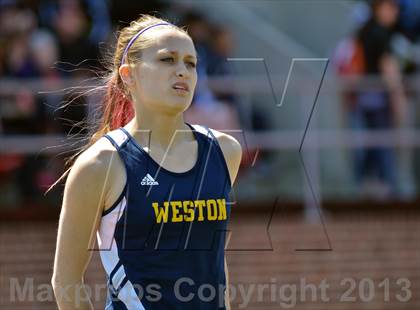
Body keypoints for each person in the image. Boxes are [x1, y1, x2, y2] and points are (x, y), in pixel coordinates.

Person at [50, 14, 242, 309]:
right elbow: (66, 280)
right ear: (129, 75)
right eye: (168, 60)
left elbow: (216, 264)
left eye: (191, 63)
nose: (183, 71)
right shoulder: (101, 163)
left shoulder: (225, 151)